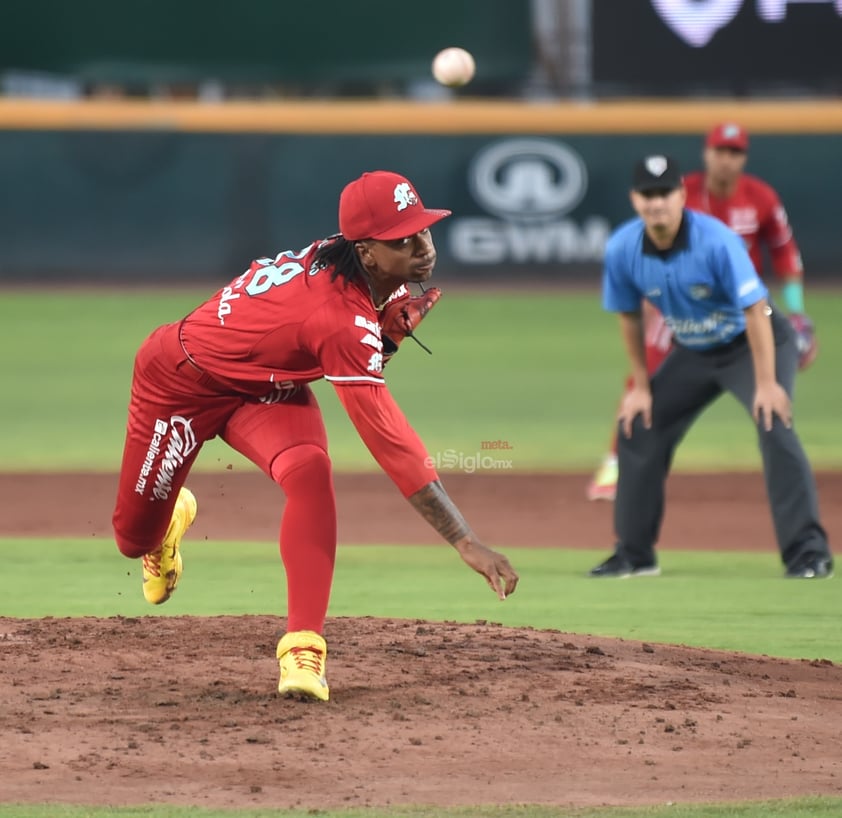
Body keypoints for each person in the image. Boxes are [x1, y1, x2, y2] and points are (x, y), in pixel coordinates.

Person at [112, 170, 520, 702]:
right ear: (367, 251)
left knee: (310, 473)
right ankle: (166, 525)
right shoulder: (338, 314)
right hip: (180, 381)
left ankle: (304, 650)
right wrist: (463, 538)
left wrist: (383, 340)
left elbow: (332, 345)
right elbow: (387, 436)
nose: (423, 248)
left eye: (424, 231)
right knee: (132, 539)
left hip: (265, 390)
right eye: (404, 239)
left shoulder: (362, 271)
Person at [588, 154, 832, 580]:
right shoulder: (623, 247)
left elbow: (756, 311)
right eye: (648, 194)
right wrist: (641, 386)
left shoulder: (716, 241)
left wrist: (767, 383)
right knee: (639, 425)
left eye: (665, 193)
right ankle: (634, 554)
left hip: (756, 342)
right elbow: (628, 316)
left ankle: (808, 554)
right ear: (635, 199)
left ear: (681, 195)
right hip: (696, 350)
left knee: (774, 424)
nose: (656, 203)